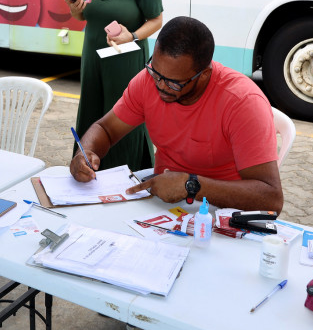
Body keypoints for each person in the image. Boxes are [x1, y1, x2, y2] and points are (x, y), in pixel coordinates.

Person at [70, 16, 284, 212]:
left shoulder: (242, 102)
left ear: (204, 75)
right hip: (163, 202)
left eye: (174, 82)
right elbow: (105, 129)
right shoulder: (147, 81)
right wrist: (85, 152)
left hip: (222, 211)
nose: (161, 85)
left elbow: (271, 198)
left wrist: (190, 185)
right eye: (155, 72)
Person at [64, 0, 163, 172]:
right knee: (91, 111)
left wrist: (133, 35)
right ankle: (86, 167)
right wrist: (75, 9)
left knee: (122, 116)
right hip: (93, 57)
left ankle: (125, 172)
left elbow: (156, 20)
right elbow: (82, 16)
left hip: (125, 59)